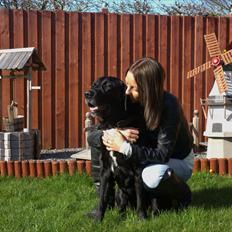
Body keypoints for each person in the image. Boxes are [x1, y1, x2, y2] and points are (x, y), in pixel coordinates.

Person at [102, 57, 194, 208]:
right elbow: (96, 131)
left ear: (147, 89)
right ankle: (107, 203)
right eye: (127, 85)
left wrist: (124, 147)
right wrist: (115, 132)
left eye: (133, 88)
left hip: (177, 159)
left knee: (151, 177)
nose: (127, 92)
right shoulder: (131, 99)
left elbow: (162, 155)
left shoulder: (169, 106)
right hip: (148, 157)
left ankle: (184, 194)